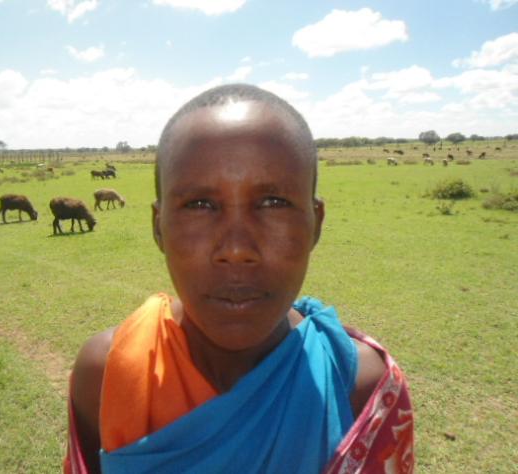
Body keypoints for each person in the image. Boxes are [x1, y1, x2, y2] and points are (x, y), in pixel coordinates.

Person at [65, 84, 414, 474]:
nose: (235, 249)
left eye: (273, 203)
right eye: (199, 204)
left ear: (315, 224)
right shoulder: (106, 374)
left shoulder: (362, 386)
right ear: (158, 227)